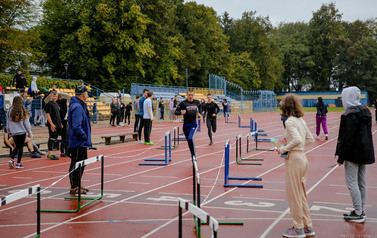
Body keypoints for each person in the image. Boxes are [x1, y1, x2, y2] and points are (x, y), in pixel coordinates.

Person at [276, 94, 315, 238]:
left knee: (294, 195)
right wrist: (293, 147)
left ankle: (298, 228)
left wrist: (283, 148)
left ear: (286, 106)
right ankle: (307, 226)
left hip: (295, 160)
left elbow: (298, 139)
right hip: (302, 158)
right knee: (301, 194)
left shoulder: (290, 122)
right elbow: (309, 139)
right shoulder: (301, 120)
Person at [335, 86, 375, 223]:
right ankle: (360, 209)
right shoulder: (365, 112)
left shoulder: (349, 115)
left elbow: (347, 139)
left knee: (352, 182)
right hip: (364, 151)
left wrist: (341, 157)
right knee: (361, 181)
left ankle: (358, 213)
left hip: (353, 153)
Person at [68, 85, 92, 195]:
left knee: (82, 162)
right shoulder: (77, 107)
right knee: (76, 163)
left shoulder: (80, 105)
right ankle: (74, 186)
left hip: (81, 141)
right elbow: (76, 126)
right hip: (78, 141)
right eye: (87, 93)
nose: (88, 94)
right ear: (83, 94)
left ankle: (77, 184)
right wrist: (83, 136)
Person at [175, 89, 201, 158]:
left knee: (190, 138)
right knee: (189, 142)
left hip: (193, 124)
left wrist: (200, 113)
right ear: (187, 95)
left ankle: (194, 155)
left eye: (192, 95)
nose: (190, 96)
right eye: (189, 95)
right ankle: (193, 155)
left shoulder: (197, 102)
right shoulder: (183, 103)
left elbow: (201, 109)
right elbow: (176, 112)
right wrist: (181, 113)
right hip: (185, 125)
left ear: (193, 95)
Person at [7, 96, 32, 169]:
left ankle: (14, 160)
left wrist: (9, 131)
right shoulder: (23, 110)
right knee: (19, 147)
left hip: (14, 132)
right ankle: (17, 162)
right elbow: (26, 123)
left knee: (17, 146)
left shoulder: (10, 110)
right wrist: (29, 131)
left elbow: (8, 122)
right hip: (22, 131)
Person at [45, 90, 62, 160]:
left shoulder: (56, 104)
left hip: (57, 124)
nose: (55, 97)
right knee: (51, 138)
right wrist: (51, 124)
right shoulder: (49, 104)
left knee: (54, 138)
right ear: (50, 96)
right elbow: (47, 114)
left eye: (56, 96)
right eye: (53, 96)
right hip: (53, 124)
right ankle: (50, 154)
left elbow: (57, 114)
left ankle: (51, 153)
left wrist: (60, 123)